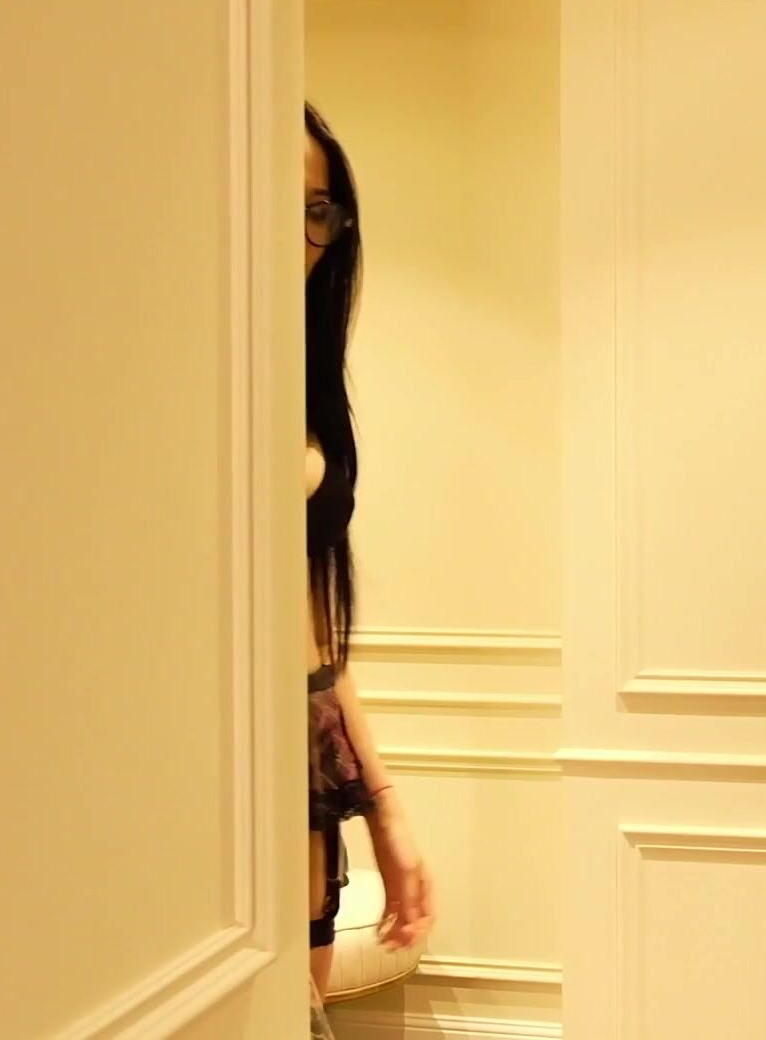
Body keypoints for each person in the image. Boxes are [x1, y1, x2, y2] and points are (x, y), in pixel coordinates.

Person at [303, 102, 435, 1004]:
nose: (299, 235)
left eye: (317, 210)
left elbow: (314, 630)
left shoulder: (301, 377)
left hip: (299, 760)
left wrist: (383, 804)